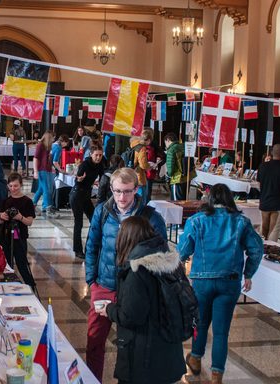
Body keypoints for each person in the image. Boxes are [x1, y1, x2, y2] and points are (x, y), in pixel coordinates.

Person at [84, 167, 167, 381]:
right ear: (111, 188)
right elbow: (92, 246)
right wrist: (91, 281)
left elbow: (162, 256)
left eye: (128, 191)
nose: (122, 197)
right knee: (94, 342)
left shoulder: (150, 217)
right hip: (104, 285)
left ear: (136, 189)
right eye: (118, 191)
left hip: (134, 291)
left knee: (131, 345)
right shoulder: (102, 211)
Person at [178, 183, 263, 384]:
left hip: (202, 281)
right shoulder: (241, 222)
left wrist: (181, 264)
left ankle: (196, 359)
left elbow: (182, 250)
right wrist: (248, 273)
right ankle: (217, 375)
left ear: (209, 199)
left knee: (201, 322)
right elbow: (257, 250)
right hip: (230, 282)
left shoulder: (197, 220)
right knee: (221, 331)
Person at [95, 216, 186, 384]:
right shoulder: (169, 263)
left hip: (143, 359)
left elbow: (131, 316)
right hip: (167, 353)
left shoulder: (137, 272)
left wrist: (109, 310)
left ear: (127, 239)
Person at [0, 173, 36, 288]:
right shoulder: (5, 201)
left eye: (16, 186)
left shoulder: (27, 201)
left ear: (21, 185)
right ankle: (8, 286)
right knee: (7, 265)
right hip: (6, 237)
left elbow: (29, 222)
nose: (13, 189)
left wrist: (20, 217)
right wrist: (1, 217)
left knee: (22, 264)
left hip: (20, 237)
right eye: (10, 186)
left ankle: (30, 286)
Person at [70, 144, 104, 259]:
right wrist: (79, 179)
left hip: (86, 196)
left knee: (94, 220)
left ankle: (91, 247)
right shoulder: (85, 164)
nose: (98, 157)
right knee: (78, 223)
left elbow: (103, 176)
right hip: (77, 194)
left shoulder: (100, 164)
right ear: (91, 154)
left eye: (100, 155)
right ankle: (78, 250)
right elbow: (77, 179)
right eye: (96, 155)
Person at [257, 144, 280, 241]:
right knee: (274, 230)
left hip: (265, 202)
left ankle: (260, 251)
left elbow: (258, 185)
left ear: (271, 153)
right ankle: (270, 253)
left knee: (263, 228)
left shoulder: (262, 166)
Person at [33, 130, 59, 218]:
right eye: (52, 138)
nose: (53, 140)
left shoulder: (47, 147)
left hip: (46, 170)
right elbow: (35, 158)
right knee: (47, 189)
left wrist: (51, 168)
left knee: (41, 189)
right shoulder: (40, 145)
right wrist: (35, 171)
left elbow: (48, 159)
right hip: (41, 170)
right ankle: (48, 209)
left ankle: (32, 205)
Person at [165, 132, 192, 201]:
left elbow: (170, 166)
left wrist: (169, 175)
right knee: (184, 199)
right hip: (188, 176)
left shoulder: (171, 150)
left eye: (165, 142)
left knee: (176, 201)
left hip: (177, 178)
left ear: (168, 140)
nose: (166, 145)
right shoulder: (185, 146)